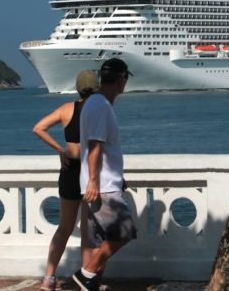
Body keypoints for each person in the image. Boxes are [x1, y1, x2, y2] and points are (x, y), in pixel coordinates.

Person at [73, 58, 137, 291]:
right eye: (125, 79)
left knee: (100, 239)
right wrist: (93, 182)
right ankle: (86, 274)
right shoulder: (101, 106)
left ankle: (91, 283)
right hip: (102, 186)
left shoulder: (93, 102)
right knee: (123, 232)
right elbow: (95, 146)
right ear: (121, 79)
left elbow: (102, 148)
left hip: (101, 182)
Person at [33, 70, 99, 291]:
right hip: (89, 172)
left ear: (78, 88)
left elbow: (38, 128)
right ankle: (87, 281)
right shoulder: (98, 110)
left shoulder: (66, 109)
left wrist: (60, 151)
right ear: (96, 88)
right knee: (88, 231)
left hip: (69, 169)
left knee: (64, 228)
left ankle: (49, 278)